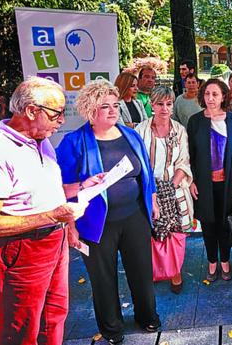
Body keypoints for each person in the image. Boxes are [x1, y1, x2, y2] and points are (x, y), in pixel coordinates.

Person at [56, 79, 160, 344]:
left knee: (141, 270)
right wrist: (72, 224)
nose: (114, 111)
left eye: (115, 105)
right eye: (105, 107)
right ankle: (112, 328)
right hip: (95, 223)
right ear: (91, 110)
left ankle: (146, 315)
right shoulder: (74, 142)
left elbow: (145, 173)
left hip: (135, 215)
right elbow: (62, 188)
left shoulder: (131, 135)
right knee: (103, 278)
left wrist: (154, 200)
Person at [0, 77, 87, 345]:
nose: (60, 121)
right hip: (24, 247)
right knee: (22, 324)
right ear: (30, 111)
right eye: (55, 114)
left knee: (54, 314)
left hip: (54, 240)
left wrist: (81, 186)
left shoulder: (41, 137)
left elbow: (46, 189)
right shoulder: (3, 149)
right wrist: (50, 217)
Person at [187, 79, 232, 282]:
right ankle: (212, 262)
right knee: (208, 224)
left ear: (223, 96)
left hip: (229, 182)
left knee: (225, 224)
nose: (210, 98)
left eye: (215, 94)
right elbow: (190, 156)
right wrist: (192, 180)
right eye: (207, 94)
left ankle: (225, 261)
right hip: (204, 183)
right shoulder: (195, 121)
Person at [135, 86, 194, 293]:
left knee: (175, 234)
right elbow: (138, 165)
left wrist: (169, 188)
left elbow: (183, 161)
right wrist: (153, 191)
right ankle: (154, 272)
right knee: (152, 235)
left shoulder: (179, 129)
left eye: (168, 104)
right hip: (147, 189)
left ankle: (175, 272)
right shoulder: (140, 130)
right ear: (152, 104)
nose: (164, 108)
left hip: (174, 188)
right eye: (160, 104)